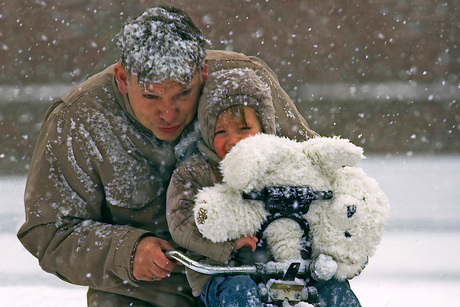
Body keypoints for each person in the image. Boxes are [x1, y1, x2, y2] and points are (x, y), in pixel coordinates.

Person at [17, 6, 316, 307]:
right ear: (122, 78)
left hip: (256, 276)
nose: (168, 113)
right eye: (151, 97)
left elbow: (316, 174)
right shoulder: (79, 120)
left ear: (203, 71)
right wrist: (126, 251)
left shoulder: (246, 88)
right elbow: (49, 232)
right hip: (143, 292)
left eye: (183, 94)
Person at [166, 68, 362, 306]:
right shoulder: (195, 173)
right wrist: (226, 246)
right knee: (240, 291)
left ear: (264, 127)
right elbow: (181, 221)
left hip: (290, 270)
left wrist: (342, 248)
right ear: (207, 133)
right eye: (220, 132)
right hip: (223, 274)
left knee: (334, 290)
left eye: (244, 129)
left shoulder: (287, 165)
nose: (233, 141)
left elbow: (328, 206)